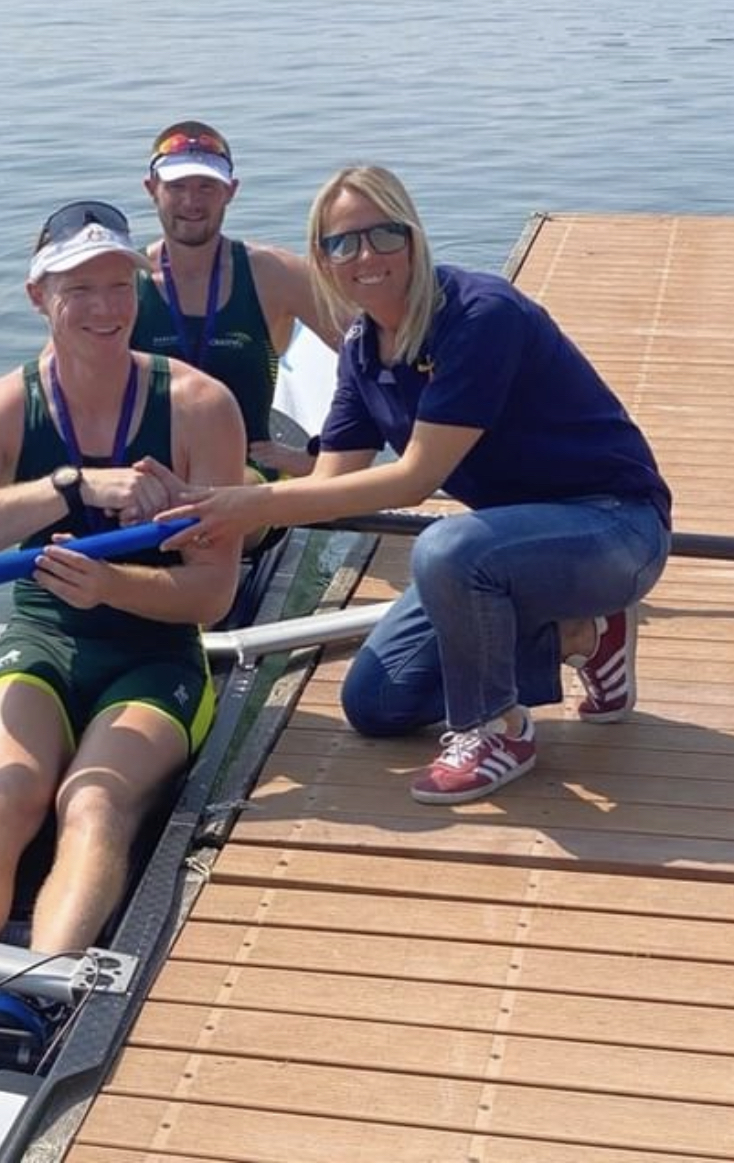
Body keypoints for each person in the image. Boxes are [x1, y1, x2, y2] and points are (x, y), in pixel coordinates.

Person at [148, 165, 672, 806]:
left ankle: (497, 729)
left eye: (382, 235)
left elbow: (416, 478)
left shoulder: (479, 316)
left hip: (615, 526)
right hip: (510, 547)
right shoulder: (365, 349)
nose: (365, 256)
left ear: (414, 238)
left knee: (444, 549)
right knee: (376, 701)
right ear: (323, 262)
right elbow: (333, 478)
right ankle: (586, 637)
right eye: (342, 243)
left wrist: (252, 503)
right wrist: (220, 493)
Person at [0, 200, 246, 959]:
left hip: (157, 655)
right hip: (40, 638)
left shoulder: (199, 407)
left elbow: (215, 594)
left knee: (91, 800)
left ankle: (43, 989)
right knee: (0, 799)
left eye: (118, 286)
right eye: (78, 289)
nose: (104, 309)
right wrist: (75, 485)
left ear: (140, 288)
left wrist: (109, 586)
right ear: (38, 296)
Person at [132, 119, 340, 481]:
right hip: (143, 473)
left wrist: (323, 455)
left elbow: (373, 354)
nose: (191, 201)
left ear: (231, 190)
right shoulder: (121, 281)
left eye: (207, 187)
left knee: (211, 504)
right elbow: (51, 382)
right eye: (177, 186)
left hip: (246, 473)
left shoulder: (276, 274)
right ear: (152, 189)